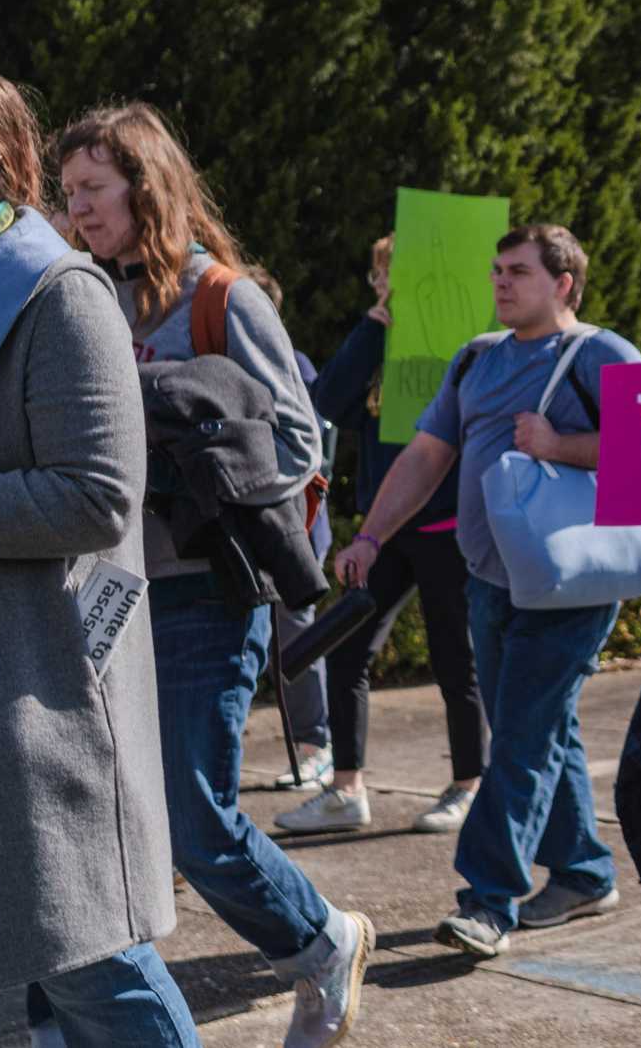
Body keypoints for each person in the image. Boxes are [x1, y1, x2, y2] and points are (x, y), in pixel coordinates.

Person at [57, 103, 371, 1046]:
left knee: (196, 820)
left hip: (202, 592)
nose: (77, 210)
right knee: (101, 815)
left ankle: (321, 941)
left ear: (146, 188)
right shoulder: (80, 297)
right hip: (102, 597)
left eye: (93, 190)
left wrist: (183, 429)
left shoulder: (222, 298)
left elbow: (298, 443)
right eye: (68, 193)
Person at [0, 65, 198, 1044]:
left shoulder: (55, 291)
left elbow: (95, 497)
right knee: (45, 973)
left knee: (88, 960)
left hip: (32, 689)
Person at [333, 224, 641, 959]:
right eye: (497, 269)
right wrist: (372, 535)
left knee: (525, 736)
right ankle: (585, 871)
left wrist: (559, 445)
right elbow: (427, 455)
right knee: (532, 728)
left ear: (564, 283)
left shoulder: (603, 353)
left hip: (573, 587)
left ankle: (487, 901)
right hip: (491, 579)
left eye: (520, 271)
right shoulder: (475, 356)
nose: (502, 282)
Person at [276, 236, 486, 837]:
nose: (384, 286)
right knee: (348, 651)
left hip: (448, 528)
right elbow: (325, 404)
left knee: (456, 660)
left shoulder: (465, 345)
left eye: (395, 277)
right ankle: (347, 790)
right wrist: (373, 328)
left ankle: (467, 786)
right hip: (384, 530)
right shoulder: (377, 341)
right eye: (378, 278)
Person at [245, 264, 338, 794]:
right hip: (260, 524)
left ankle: (313, 745)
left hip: (294, 524)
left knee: (294, 632)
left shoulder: (291, 364)